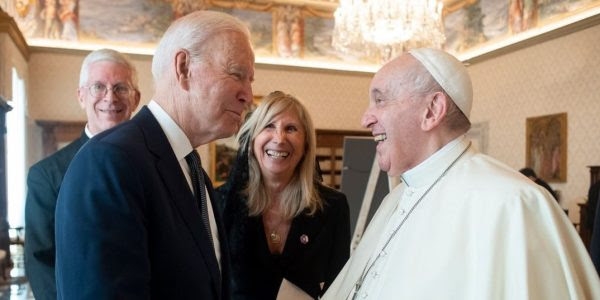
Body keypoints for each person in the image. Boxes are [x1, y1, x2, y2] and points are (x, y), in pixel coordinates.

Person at [323, 48, 600, 299]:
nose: (365, 119)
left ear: (431, 111)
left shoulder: (514, 205)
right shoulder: (396, 198)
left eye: (380, 100)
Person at [54, 10, 254, 299]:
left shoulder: (193, 170)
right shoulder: (109, 163)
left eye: (250, 80)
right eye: (237, 74)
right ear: (183, 68)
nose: (248, 94)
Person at [24, 48, 141, 300]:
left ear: (136, 98)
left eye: (121, 88)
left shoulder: (154, 165)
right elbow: (41, 261)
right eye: (98, 87)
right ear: (81, 96)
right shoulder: (46, 176)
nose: (110, 98)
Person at [216, 91, 351, 299]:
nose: (279, 139)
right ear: (252, 139)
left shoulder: (333, 207)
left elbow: (340, 288)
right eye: (269, 126)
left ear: (306, 145)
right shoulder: (220, 203)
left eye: (291, 129)